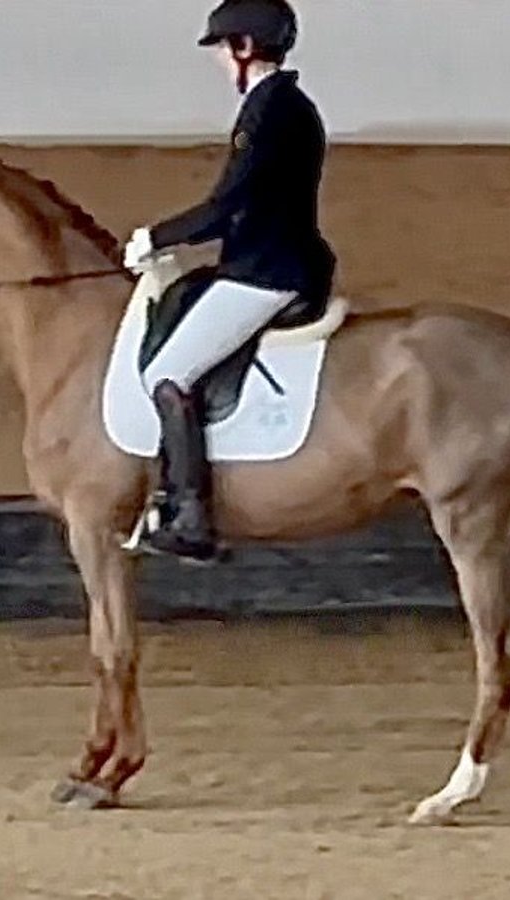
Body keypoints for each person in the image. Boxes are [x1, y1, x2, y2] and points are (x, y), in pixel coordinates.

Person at [124, 0, 337, 562]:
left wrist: (158, 237)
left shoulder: (269, 110)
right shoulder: (282, 105)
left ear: (244, 48)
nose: (220, 61)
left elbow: (228, 204)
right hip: (268, 262)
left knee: (170, 371)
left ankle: (191, 515)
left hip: (269, 271)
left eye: (222, 49)